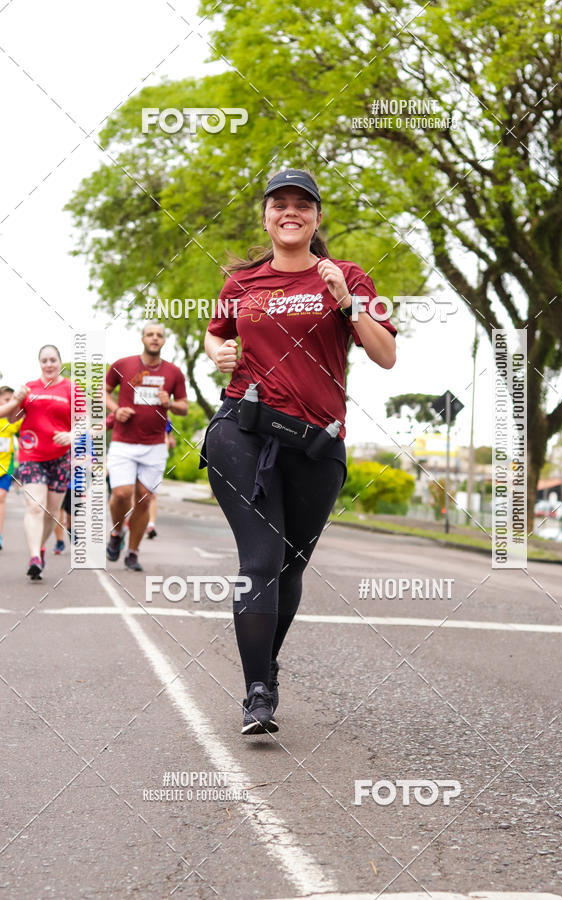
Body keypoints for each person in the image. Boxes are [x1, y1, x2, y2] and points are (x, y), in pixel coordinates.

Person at [201, 169, 396, 735]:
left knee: (289, 567)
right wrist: (218, 351)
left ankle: (267, 663)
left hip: (316, 442)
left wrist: (346, 304)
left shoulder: (348, 277)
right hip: (244, 429)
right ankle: (257, 692)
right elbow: (218, 333)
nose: (291, 212)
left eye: (302, 204)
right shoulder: (242, 283)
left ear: (316, 217)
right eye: (279, 204)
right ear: (266, 216)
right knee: (259, 561)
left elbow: (385, 356)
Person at [105, 321, 188, 571]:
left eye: (159, 335)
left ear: (164, 341)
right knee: (120, 494)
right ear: (142, 338)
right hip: (123, 442)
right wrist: (115, 410)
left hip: (154, 445)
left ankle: (132, 552)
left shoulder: (174, 372)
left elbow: (183, 407)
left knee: (144, 498)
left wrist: (170, 403)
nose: (154, 338)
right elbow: (103, 392)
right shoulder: (123, 365)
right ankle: (117, 533)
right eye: (150, 334)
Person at [3, 346, 80, 580]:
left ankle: (42, 547)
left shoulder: (71, 389)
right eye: (44, 360)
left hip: (60, 457)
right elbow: (12, 417)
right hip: (31, 455)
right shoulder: (30, 388)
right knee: (35, 507)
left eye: (53, 360)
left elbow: (85, 422)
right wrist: (17, 400)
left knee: (51, 512)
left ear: (60, 362)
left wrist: (71, 435)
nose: (49, 364)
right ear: (39, 363)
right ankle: (35, 556)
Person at [0, 386, 22, 550]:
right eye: (7, 400)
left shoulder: (13, 421)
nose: (11, 404)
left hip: (5, 468)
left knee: (1, 498)